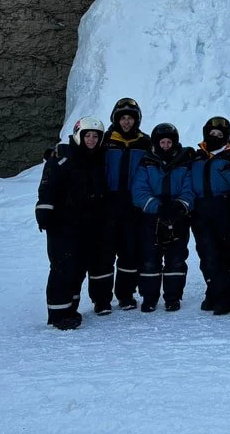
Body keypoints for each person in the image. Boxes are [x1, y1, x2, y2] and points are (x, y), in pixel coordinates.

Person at [35, 116, 107, 330]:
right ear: (79, 135)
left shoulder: (95, 159)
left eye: (95, 136)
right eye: (88, 135)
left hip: (86, 224)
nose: (91, 139)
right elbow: (47, 187)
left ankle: (70, 309)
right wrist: (44, 212)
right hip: (62, 223)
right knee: (62, 267)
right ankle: (58, 315)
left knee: (78, 267)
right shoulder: (62, 158)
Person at [131, 123, 196, 312]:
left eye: (169, 142)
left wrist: (180, 205)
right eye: (162, 142)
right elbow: (139, 190)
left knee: (175, 259)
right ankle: (149, 298)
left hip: (178, 216)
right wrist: (156, 207)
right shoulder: (147, 162)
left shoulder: (185, 161)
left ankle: (173, 297)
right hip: (152, 217)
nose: (166, 145)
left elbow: (189, 188)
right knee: (150, 259)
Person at [190, 116, 230, 315]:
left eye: (219, 135)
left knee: (225, 255)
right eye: (212, 134)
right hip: (201, 209)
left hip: (227, 209)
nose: (215, 137)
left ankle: (223, 297)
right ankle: (216, 291)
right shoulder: (197, 158)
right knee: (207, 254)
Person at [99, 97, 153, 313]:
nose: (126, 122)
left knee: (129, 253)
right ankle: (101, 299)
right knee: (103, 254)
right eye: (123, 118)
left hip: (133, 205)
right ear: (116, 119)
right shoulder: (104, 141)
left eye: (130, 118)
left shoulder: (145, 142)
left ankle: (126, 294)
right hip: (107, 204)